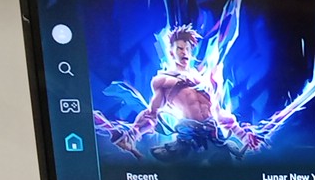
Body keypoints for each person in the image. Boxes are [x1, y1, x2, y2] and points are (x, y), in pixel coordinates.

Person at [112, 25, 262, 160]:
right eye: (180, 48)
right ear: (171, 52)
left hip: (213, 136)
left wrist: (243, 135)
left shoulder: (204, 81)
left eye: (187, 49)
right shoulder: (163, 80)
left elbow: (218, 113)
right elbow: (151, 114)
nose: (184, 52)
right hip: (189, 139)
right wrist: (131, 135)